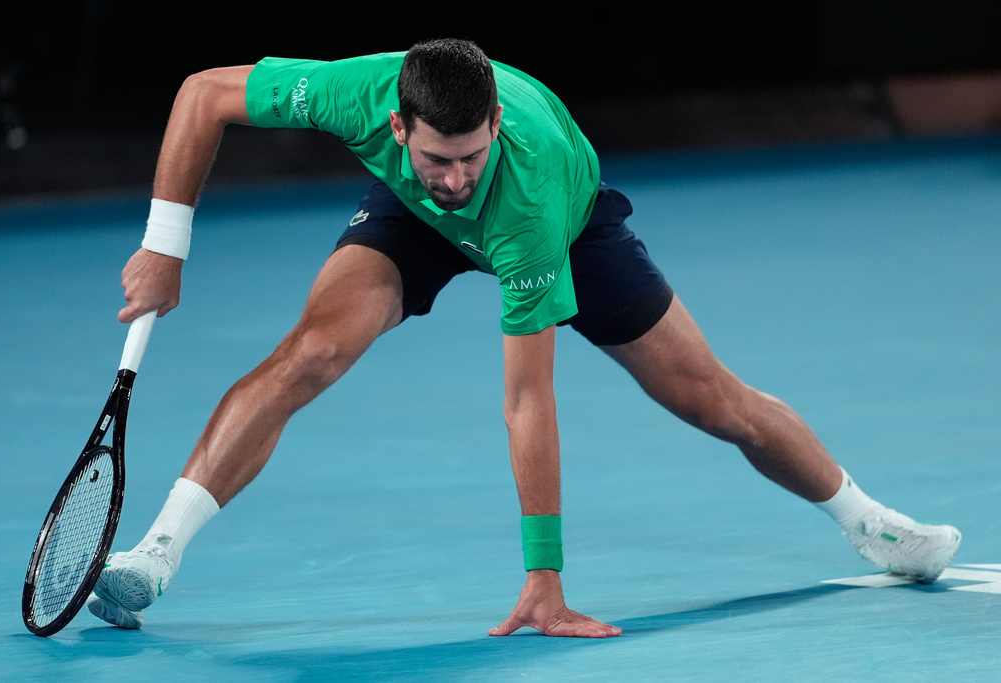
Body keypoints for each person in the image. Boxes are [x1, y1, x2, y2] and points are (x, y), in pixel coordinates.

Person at [86, 39, 961, 638]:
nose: (458, 175)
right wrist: (165, 247)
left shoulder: (525, 199)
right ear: (398, 126)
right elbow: (204, 95)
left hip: (566, 230)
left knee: (713, 401)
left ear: (495, 125)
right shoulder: (357, 94)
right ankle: (153, 557)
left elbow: (526, 399)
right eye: (439, 157)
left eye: (472, 153)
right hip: (409, 222)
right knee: (310, 350)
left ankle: (871, 524)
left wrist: (544, 577)